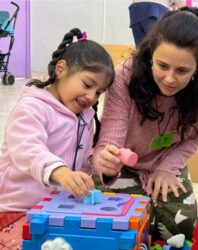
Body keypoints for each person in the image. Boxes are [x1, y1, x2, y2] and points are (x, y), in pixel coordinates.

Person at [93, 11, 198, 241]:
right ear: (151, 55)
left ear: (197, 68)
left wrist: (167, 167)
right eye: (162, 65)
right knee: (132, 223)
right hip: (125, 164)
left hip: (167, 157)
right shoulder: (124, 76)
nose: (170, 79)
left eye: (182, 71)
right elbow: (110, 141)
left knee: (181, 226)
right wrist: (106, 162)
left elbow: (194, 137)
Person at [0, 28, 114, 247]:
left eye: (99, 92)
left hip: (57, 208)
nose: (92, 96)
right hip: (16, 209)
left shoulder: (84, 117)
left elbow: (81, 163)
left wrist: (101, 165)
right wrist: (60, 172)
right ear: (61, 69)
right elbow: (28, 149)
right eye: (88, 85)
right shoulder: (32, 108)